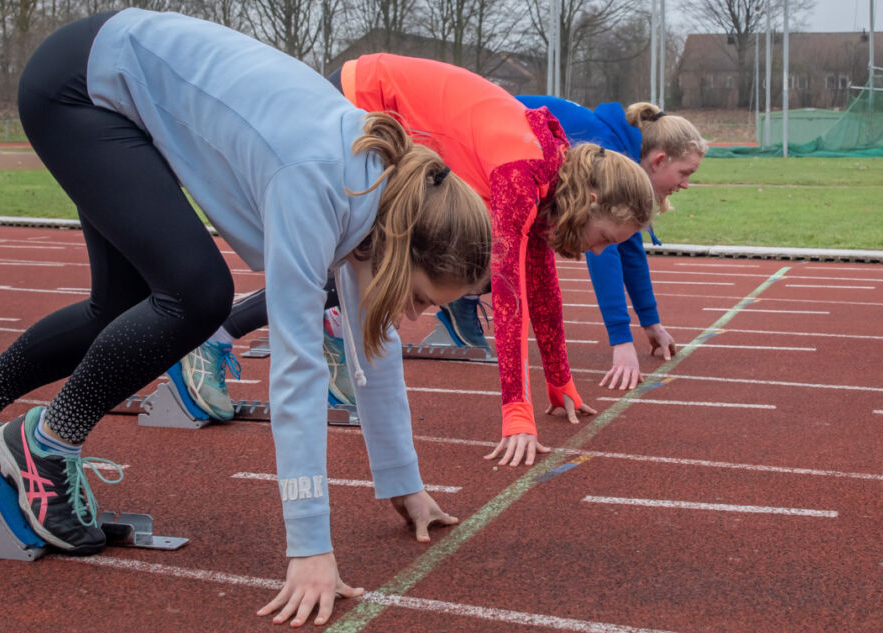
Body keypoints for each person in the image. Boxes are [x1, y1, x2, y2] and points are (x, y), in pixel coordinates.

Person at [0, 9, 491, 627]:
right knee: (196, 294)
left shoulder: (379, 199)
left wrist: (404, 482)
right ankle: (45, 443)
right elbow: (296, 370)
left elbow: (374, 347)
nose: (419, 315)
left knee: (122, 309)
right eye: (425, 298)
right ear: (405, 248)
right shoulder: (316, 184)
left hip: (111, 86)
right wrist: (310, 547)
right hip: (79, 88)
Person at [201, 54, 656, 467]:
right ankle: (218, 335)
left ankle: (326, 326)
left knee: (399, 256)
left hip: (388, 103)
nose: (598, 251)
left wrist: (559, 382)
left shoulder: (551, 176)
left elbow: (541, 284)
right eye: (605, 238)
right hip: (363, 99)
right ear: (592, 200)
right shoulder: (524, 173)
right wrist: (517, 411)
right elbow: (512, 294)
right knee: (371, 249)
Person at [517, 97, 707, 389]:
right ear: (658, 161)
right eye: (685, 173)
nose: (685, 185)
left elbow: (628, 246)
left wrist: (650, 321)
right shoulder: (611, 153)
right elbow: (603, 248)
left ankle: (463, 305)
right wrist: (621, 340)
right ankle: (462, 308)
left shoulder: (624, 159)